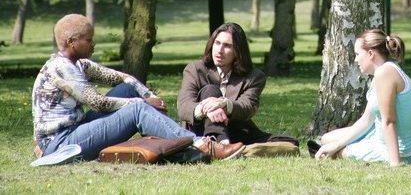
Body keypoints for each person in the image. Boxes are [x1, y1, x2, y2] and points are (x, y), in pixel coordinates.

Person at [31, 14, 244, 166]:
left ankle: (175, 149)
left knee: (126, 90)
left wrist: (149, 95)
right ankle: (201, 144)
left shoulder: (79, 63)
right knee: (137, 109)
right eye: (88, 40)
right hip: (60, 143)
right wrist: (143, 103)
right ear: (71, 42)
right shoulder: (62, 68)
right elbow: (98, 102)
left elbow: (123, 78)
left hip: (73, 131)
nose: (93, 44)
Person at [313, 29, 411, 166]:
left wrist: (395, 164)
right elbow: (367, 120)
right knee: (327, 140)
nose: (356, 60)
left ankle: (384, 155)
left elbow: (389, 121)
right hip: (390, 142)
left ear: (371, 54)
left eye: (357, 54)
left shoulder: (385, 73)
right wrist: (336, 144)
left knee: (340, 152)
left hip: (403, 152)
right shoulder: (383, 72)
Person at [177, 23, 297, 147]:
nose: (219, 50)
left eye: (227, 46)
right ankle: (219, 142)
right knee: (210, 91)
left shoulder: (255, 76)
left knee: (290, 142)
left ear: (238, 51)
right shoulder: (195, 69)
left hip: (235, 129)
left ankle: (227, 145)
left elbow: (247, 107)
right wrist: (207, 109)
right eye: (217, 43)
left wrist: (225, 104)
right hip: (199, 131)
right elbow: (184, 106)